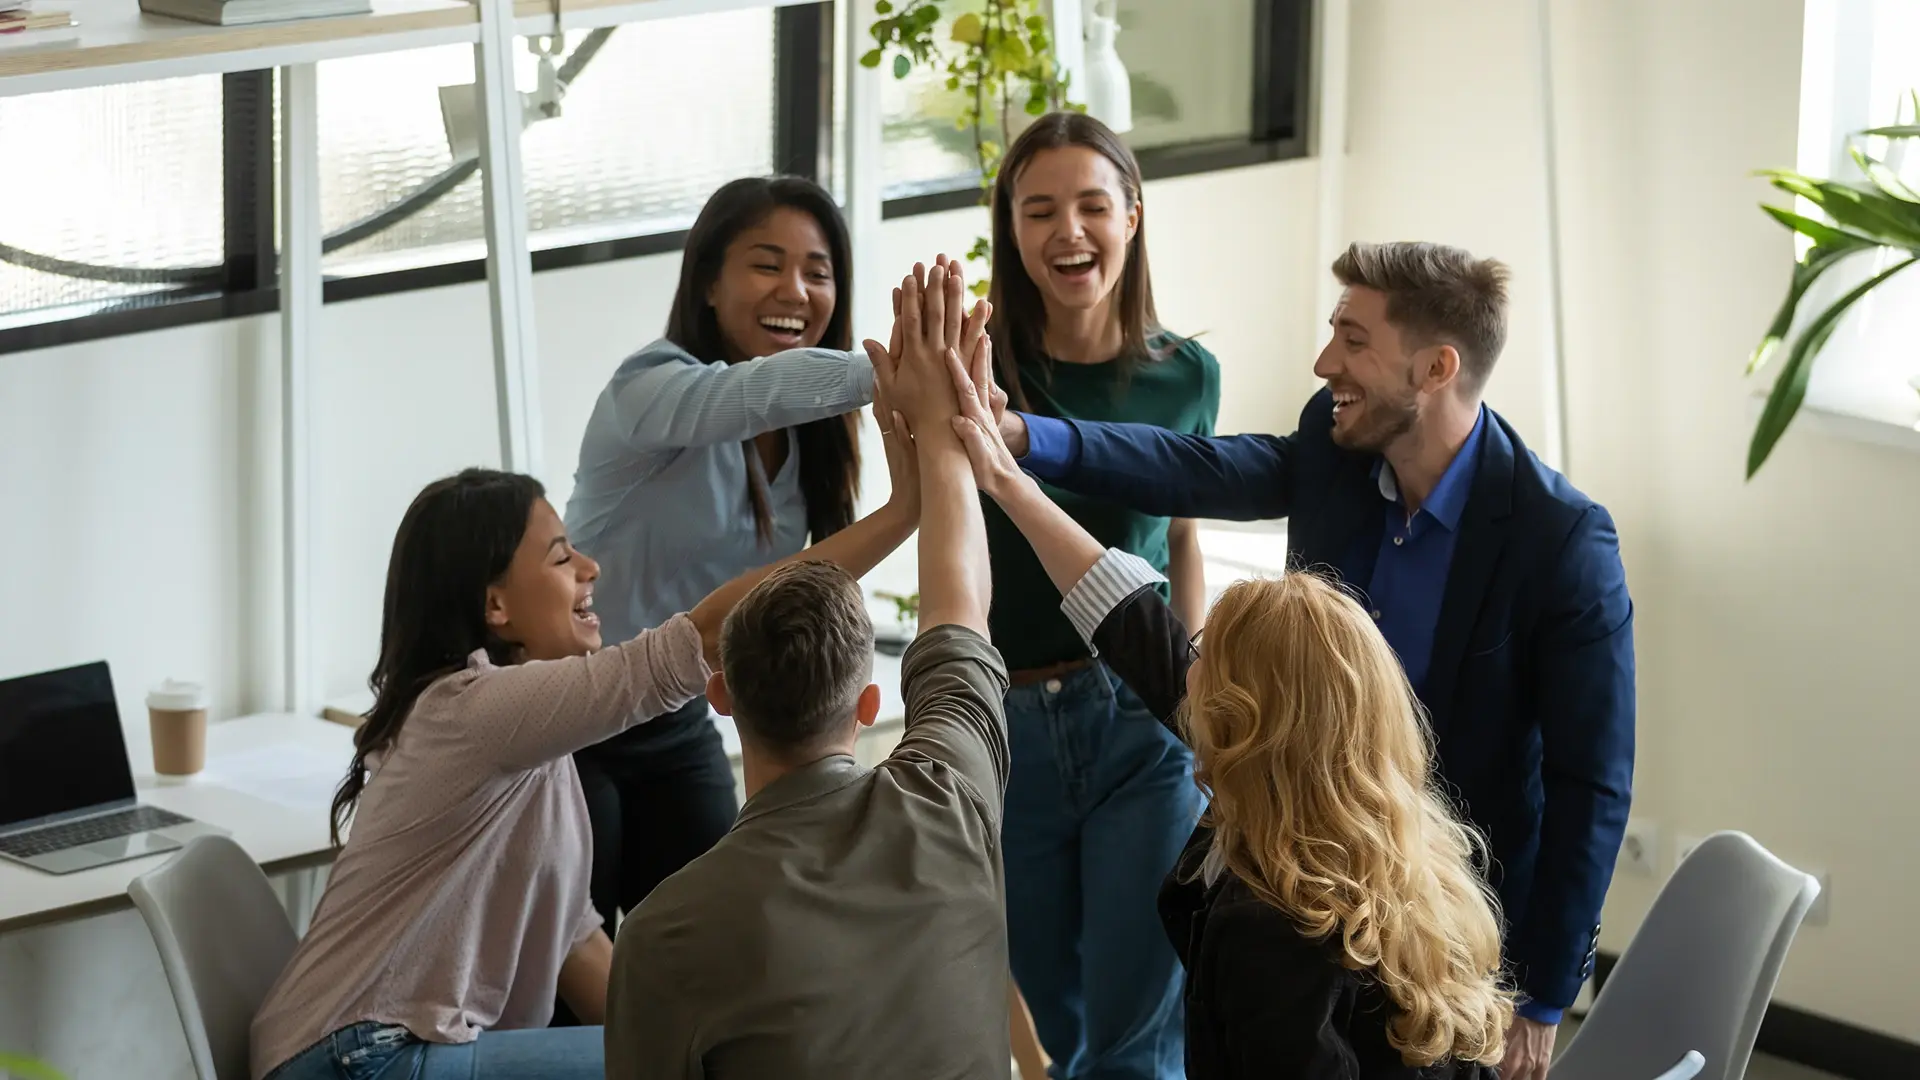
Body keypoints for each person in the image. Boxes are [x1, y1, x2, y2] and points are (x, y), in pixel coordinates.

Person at [987, 240, 1636, 1080]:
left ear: (1436, 367)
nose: (1326, 360)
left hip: (1452, 917)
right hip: (1311, 889)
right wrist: (1018, 439)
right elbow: (1199, 467)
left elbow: (1594, 781)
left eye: (1354, 339)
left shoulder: (1562, 539)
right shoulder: (1334, 448)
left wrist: (1546, 999)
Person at [250, 440, 922, 1080]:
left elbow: (577, 948)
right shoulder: (476, 709)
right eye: (561, 557)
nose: (591, 569)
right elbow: (708, 637)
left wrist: (701, 1034)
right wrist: (904, 513)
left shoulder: (520, 737)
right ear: (496, 606)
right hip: (358, 1060)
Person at [940, 347, 1514, 1076]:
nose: (1188, 661)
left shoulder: (1271, 926)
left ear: (1244, 724)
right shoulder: (1383, 847)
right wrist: (1003, 477)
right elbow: (1133, 627)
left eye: (1205, 653)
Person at [605, 262, 1011, 1079]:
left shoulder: (662, 930)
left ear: (718, 695)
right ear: (869, 702)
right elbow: (960, 603)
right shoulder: (951, 801)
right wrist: (943, 428)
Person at [560, 176, 981, 958]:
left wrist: (920, 472)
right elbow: (750, 396)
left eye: (818, 272)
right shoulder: (648, 389)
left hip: (677, 714)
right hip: (573, 717)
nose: (795, 290)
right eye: (766, 264)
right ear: (710, 283)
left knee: (705, 949)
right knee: (570, 973)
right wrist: (893, 374)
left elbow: (803, 586)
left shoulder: (813, 447)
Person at [982, 111, 1219, 1080]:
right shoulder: (979, 365)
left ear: (1131, 216)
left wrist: (1195, 703)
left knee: (1137, 1037)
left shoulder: (1185, 376)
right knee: (1050, 1026)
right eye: (1039, 211)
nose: (1067, 233)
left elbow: (1185, 537)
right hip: (1010, 726)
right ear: (1011, 230)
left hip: (1138, 720)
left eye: (1090, 206)